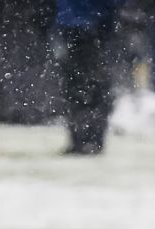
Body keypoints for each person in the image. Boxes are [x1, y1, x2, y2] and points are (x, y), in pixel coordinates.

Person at [57, 0, 125, 155]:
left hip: (83, 23)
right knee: (86, 85)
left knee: (82, 86)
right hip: (88, 23)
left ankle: (85, 138)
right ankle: (88, 138)